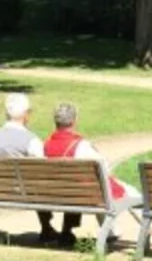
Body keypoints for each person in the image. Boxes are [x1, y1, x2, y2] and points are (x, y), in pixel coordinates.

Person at [45, 101, 144, 247]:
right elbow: (103, 167)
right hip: (85, 193)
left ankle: (111, 232)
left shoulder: (46, 145)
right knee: (120, 191)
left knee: (95, 189)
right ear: (74, 121)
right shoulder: (80, 146)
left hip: (61, 193)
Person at [0, 93, 64, 243]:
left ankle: (47, 228)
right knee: (39, 180)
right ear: (25, 115)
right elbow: (45, 166)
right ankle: (47, 228)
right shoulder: (31, 139)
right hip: (25, 191)